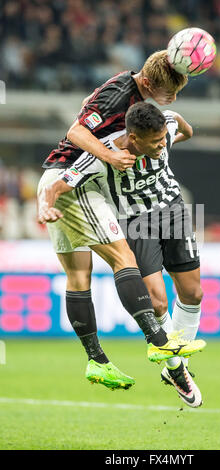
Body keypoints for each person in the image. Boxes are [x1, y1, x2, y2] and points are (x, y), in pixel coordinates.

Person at [37, 51, 206, 393]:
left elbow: (177, 124)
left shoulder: (150, 114)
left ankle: (97, 360)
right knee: (122, 258)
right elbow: (75, 133)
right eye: (167, 95)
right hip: (73, 180)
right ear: (146, 85)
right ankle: (160, 341)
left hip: (70, 180)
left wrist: (174, 133)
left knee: (78, 275)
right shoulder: (111, 137)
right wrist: (109, 156)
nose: (170, 101)